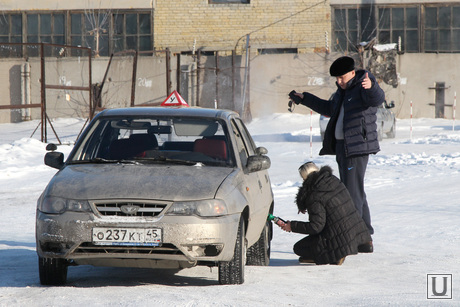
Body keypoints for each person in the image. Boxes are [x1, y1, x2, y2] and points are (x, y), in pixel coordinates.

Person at [288, 56, 385, 253]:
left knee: (350, 193)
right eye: (336, 79)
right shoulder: (342, 93)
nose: (339, 81)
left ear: (352, 72)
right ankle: (365, 237)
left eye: (341, 77)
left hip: (356, 147)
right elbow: (328, 108)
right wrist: (304, 98)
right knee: (356, 191)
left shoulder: (362, 87)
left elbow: (377, 99)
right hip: (343, 147)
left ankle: (354, 238)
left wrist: (372, 85)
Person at [278, 162, 372, 265]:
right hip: (355, 232)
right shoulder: (333, 180)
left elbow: (316, 227)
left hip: (339, 239)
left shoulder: (313, 195)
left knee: (299, 248)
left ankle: (334, 256)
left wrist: (292, 226)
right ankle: (340, 250)